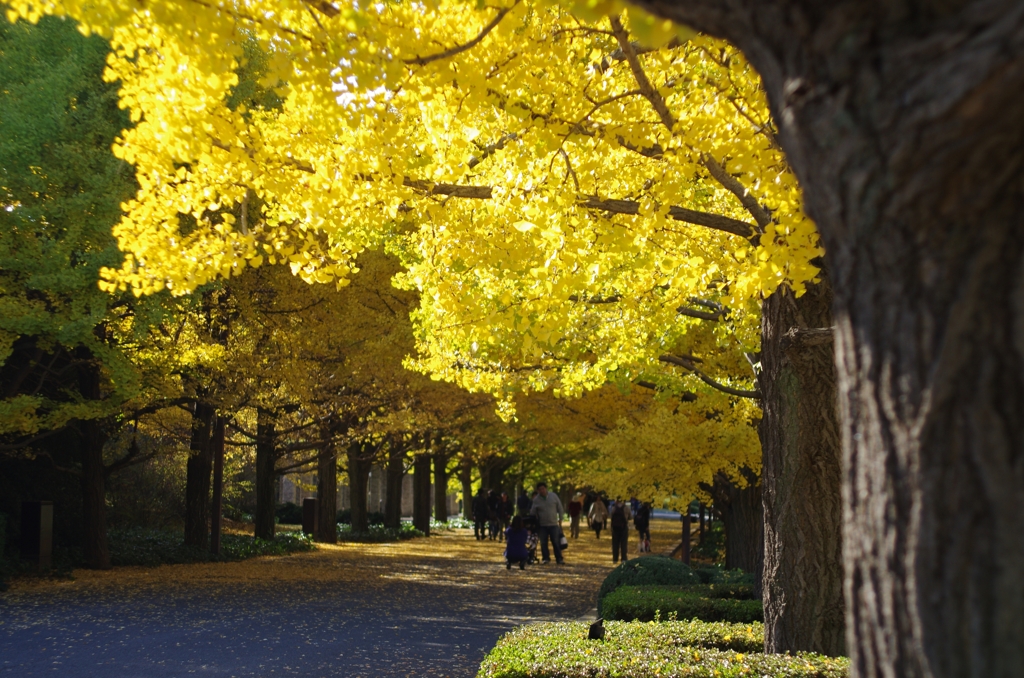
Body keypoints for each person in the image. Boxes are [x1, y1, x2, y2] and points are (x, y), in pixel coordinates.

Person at [529, 482, 565, 564]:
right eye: (540, 489)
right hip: (542, 525)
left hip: (554, 524)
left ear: (546, 488)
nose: (542, 491)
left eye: (543, 488)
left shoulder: (553, 496)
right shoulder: (536, 500)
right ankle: (546, 558)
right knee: (543, 542)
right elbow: (533, 512)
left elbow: (560, 508)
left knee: (556, 542)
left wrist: (560, 518)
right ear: (538, 490)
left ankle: (559, 558)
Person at [609, 497, 633, 564]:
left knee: (615, 544)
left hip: (615, 528)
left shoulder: (614, 508)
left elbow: (611, 517)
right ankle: (624, 558)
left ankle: (615, 559)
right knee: (624, 543)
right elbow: (630, 517)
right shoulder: (626, 508)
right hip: (624, 528)